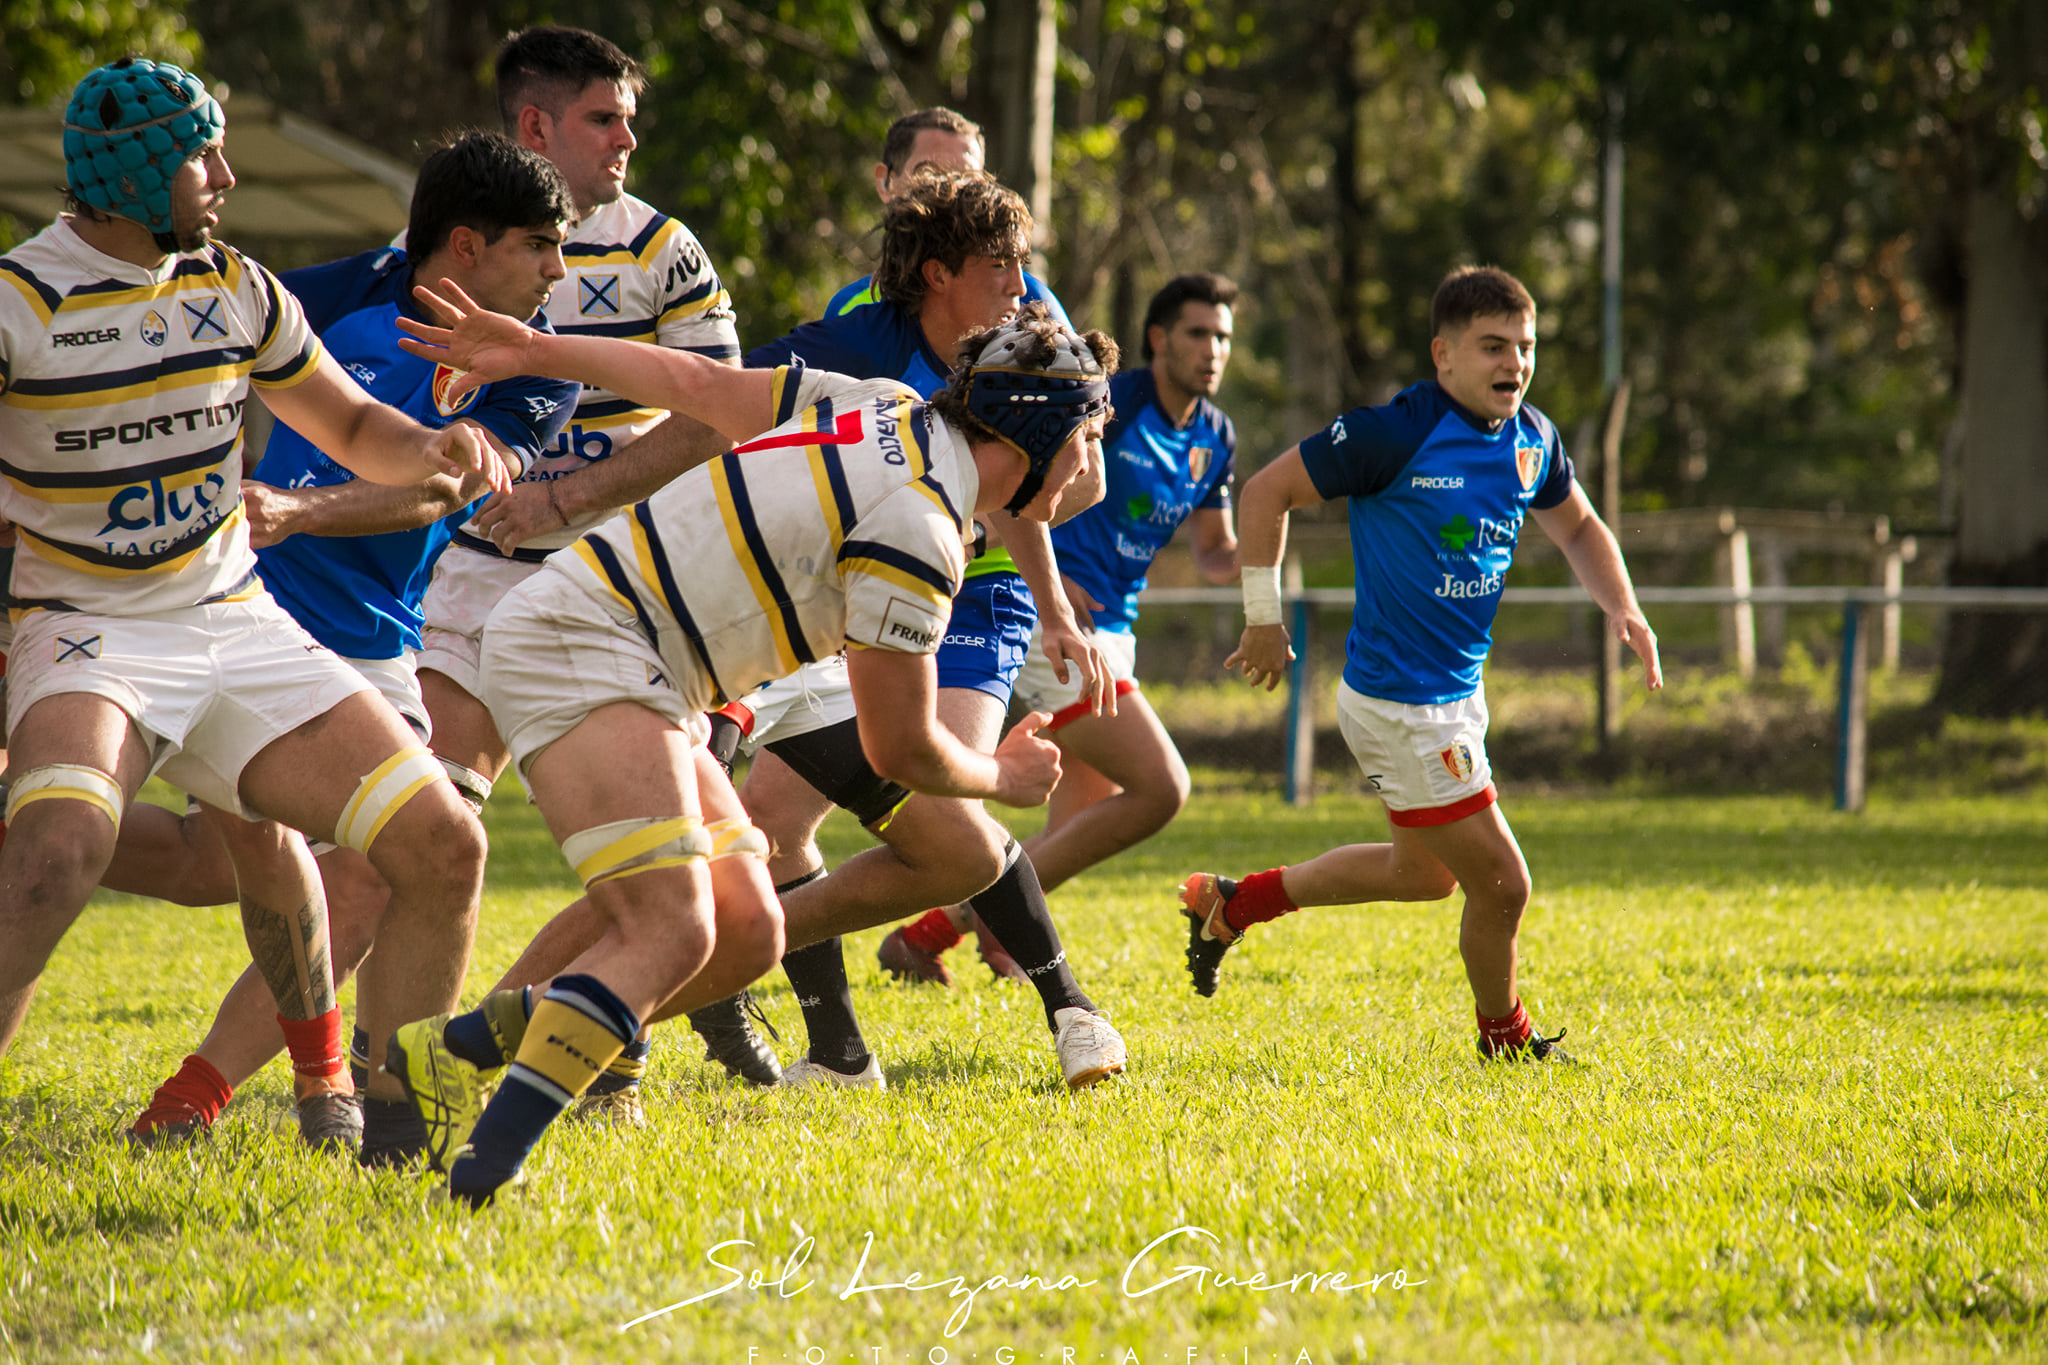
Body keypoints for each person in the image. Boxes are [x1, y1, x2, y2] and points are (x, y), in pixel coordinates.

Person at [386, 289, 1111, 1205]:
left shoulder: (878, 401)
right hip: (590, 642)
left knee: (746, 934)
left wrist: (539, 348)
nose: (1091, 463)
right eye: (1087, 438)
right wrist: (1002, 775)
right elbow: (902, 750)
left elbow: (694, 383)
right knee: (672, 927)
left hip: (629, 652)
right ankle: (479, 1176)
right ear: (1037, 438)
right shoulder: (922, 531)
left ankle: (450, 1050)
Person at [0, 57, 508, 1127]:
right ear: (136, 174)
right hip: (88, 630)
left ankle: (399, 1131)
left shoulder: (236, 285)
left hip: (236, 618)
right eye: (203, 157)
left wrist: (435, 447)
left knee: (443, 844)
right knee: (54, 853)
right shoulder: (18, 304)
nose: (226, 177)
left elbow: (352, 424)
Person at [120, 132, 580, 1156]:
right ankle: (300, 1084)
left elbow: (446, 488)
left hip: (373, 640)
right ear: (467, 246)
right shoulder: (330, 295)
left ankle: (264, 1095)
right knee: (224, 861)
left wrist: (297, 510)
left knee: (378, 869)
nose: (559, 270)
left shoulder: (538, 369)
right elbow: (188, 357)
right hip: (240, 612)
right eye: (540, 245)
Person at [1178, 266, 1663, 1061]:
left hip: (1453, 698)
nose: (1515, 363)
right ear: (1444, 355)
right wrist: (1262, 617)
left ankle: (1234, 903)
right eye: (1493, 346)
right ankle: (1506, 1040)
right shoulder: (1395, 434)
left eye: (1525, 347)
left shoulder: (1533, 438)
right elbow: (1264, 492)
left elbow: (1578, 527)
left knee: (1424, 875)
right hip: (1402, 705)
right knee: (1504, 883)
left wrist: (1624, 605)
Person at [407, 27, 760, 1108]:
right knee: (425, 834)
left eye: (627, 119)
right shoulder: (456, 245)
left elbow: (718, 410)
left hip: (623, 589)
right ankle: (358, 1074)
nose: (625, 140)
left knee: (719, 902)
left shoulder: (664, 249)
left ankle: (529, 1053)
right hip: (481, 571)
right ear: (536, 125)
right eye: (604, 118)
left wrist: (565, 497)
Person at [727, 169, 1119, 1090]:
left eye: (1021, 262)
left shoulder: (1021, 338)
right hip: (861, 598)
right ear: (935, 270)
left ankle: (1073, 1011)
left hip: (976, 597)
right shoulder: (855, 337)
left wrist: (1055, 612)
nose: (1021, 283)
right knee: (774, 821)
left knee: (949, 809)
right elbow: (721, 392)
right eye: (1000, 263)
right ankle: (836, 1052)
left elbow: (1046, 484)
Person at [880, 272, 1242, 982]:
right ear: (1159, 338)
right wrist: (1056, 584)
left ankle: (941, 936)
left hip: (1117, 626)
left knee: (1076, 818)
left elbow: (1214, 552)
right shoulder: (1112, 400)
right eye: (1198, 333)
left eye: (1224, 337)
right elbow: (1031, 485)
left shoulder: (1215, 435)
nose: (1213, 350)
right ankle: (965, 923)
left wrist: (1268, 536)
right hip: (1062, 621)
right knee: (1161, 787)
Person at [824, 107, 1067, 329]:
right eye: (929, 175)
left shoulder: (1029, 299)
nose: (950, 192)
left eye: (968, 180)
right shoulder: (851, 309)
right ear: (885, 182)